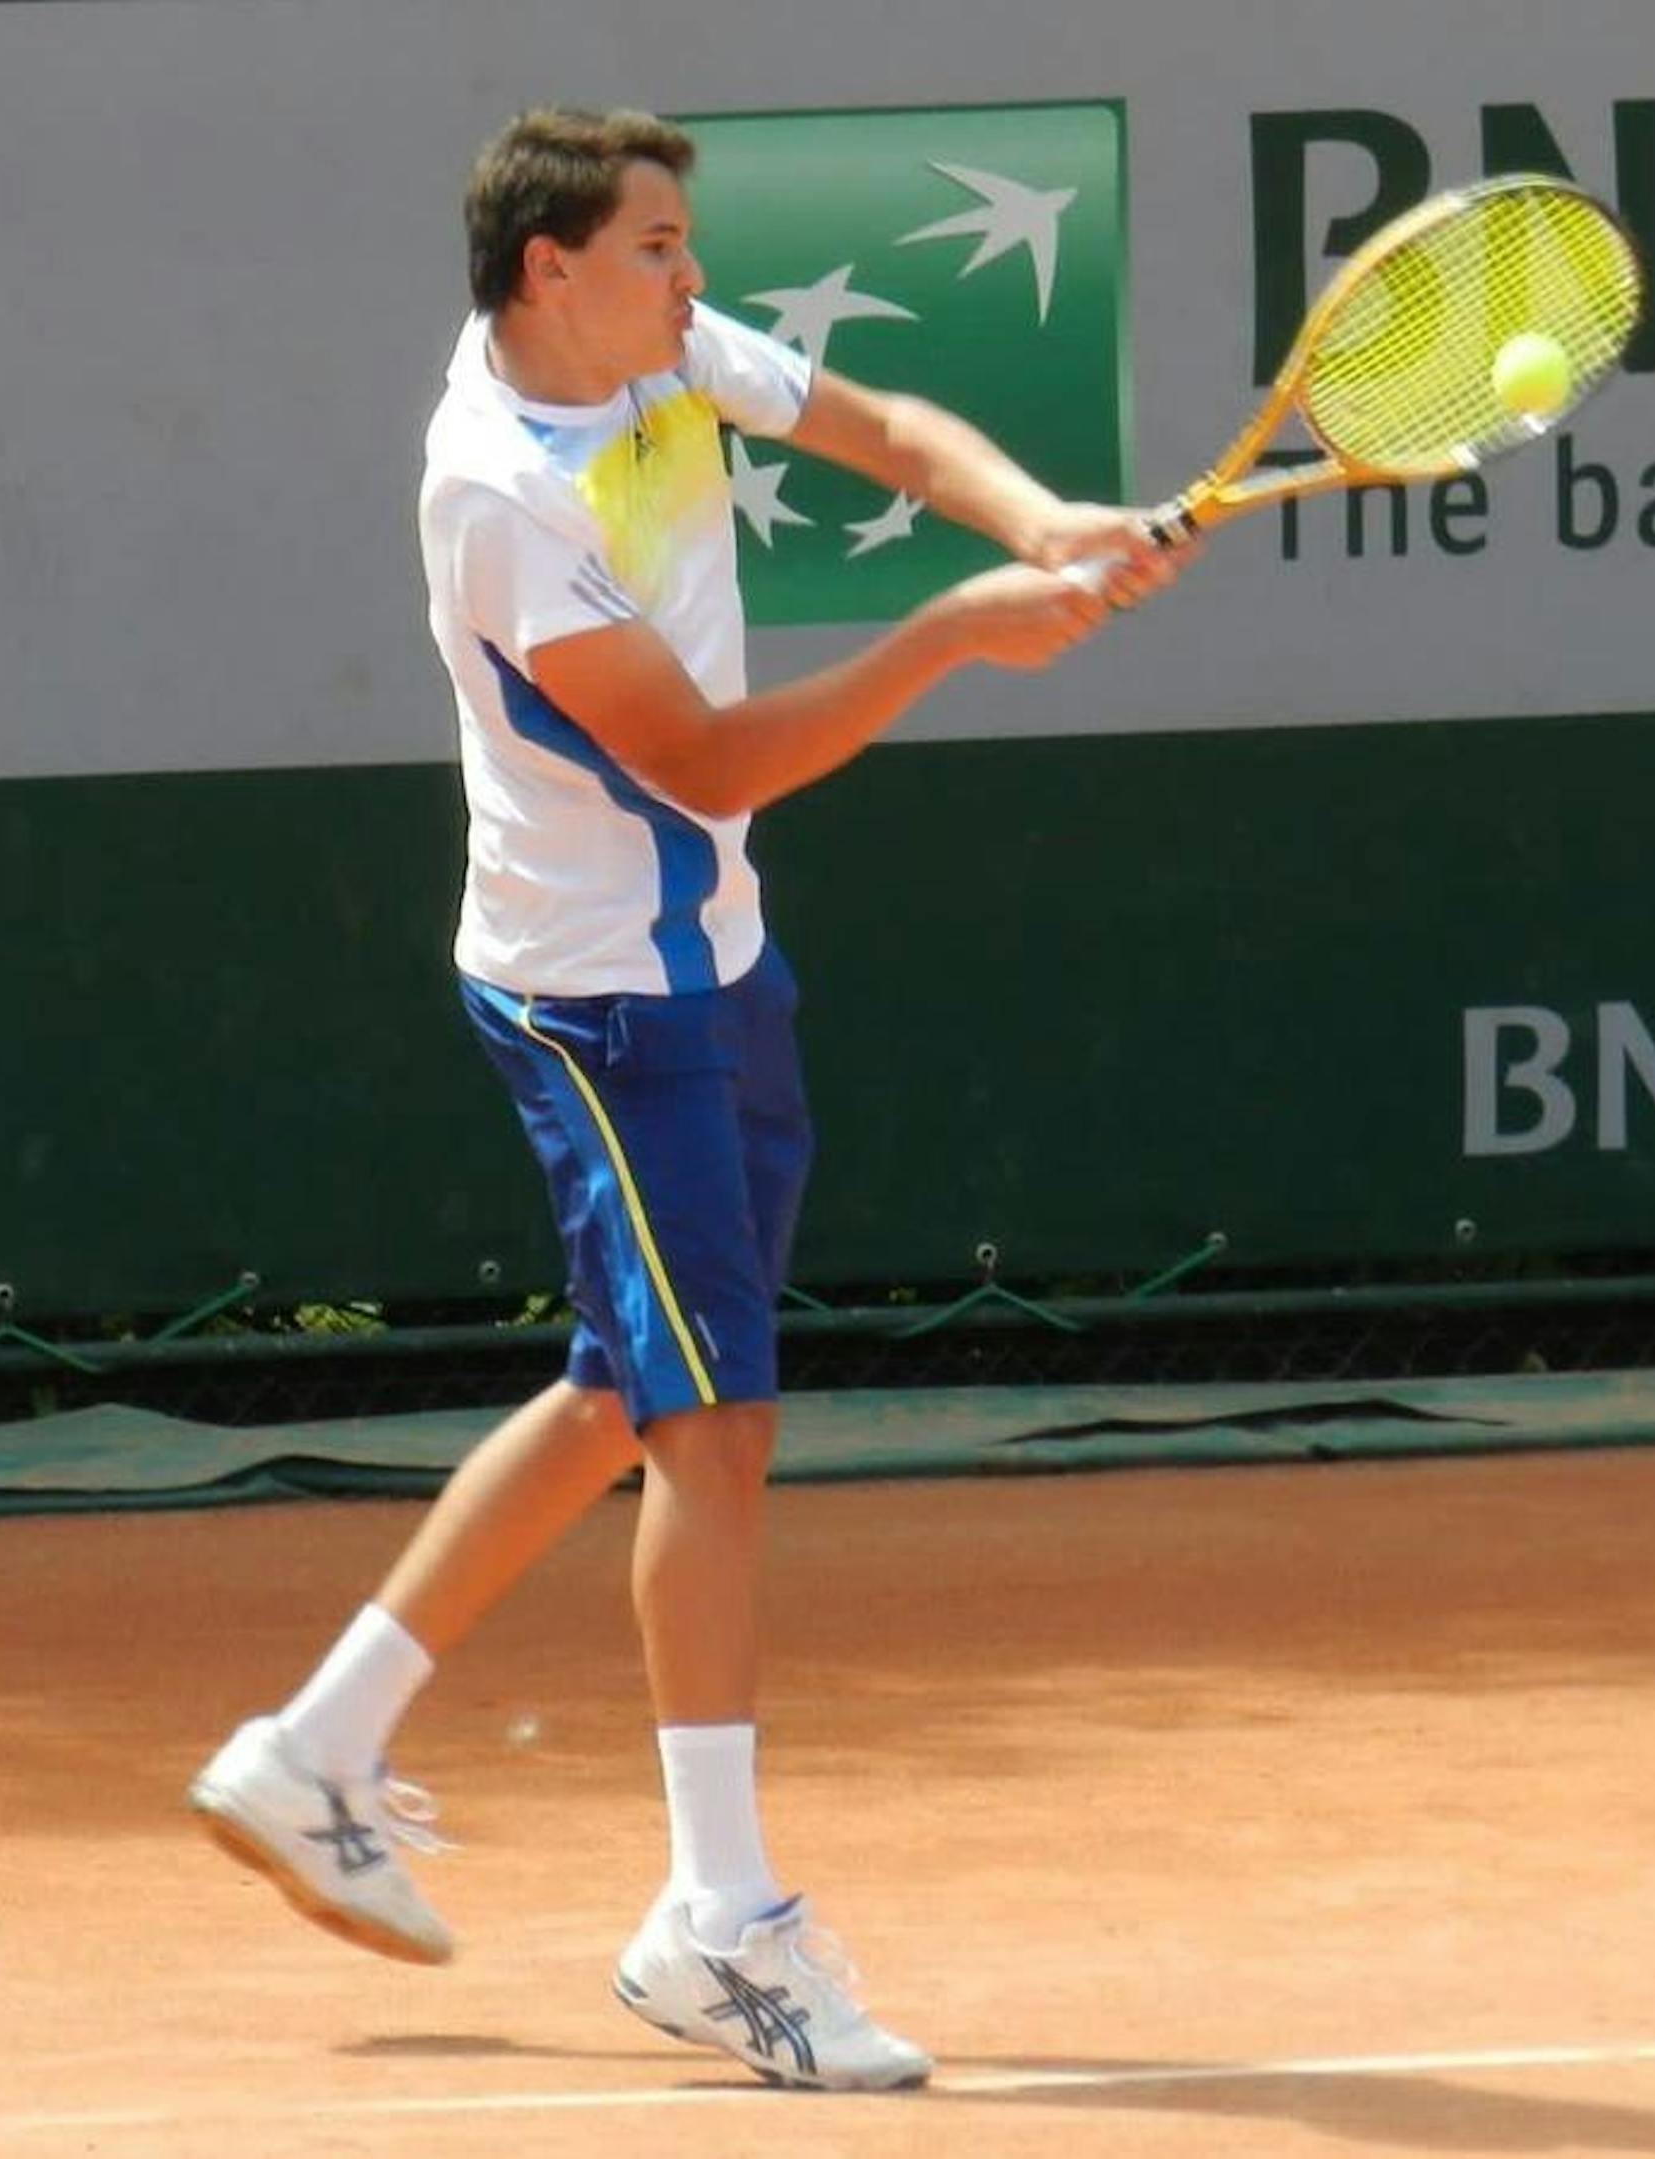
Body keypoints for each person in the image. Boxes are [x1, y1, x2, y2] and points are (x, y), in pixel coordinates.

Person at [185, 105, 1187, 2092]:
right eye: (658, 248)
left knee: (624, 1391)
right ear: (552, 270)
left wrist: (1038, 522)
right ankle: (718, 1924)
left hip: (712, 969)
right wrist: (955, 639)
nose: (692, 279)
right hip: (602, 1000)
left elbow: (894, 429)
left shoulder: (650, 360)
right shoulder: (500, 495)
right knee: (711, 1425)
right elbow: (713, 762)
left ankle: (313, 1755)